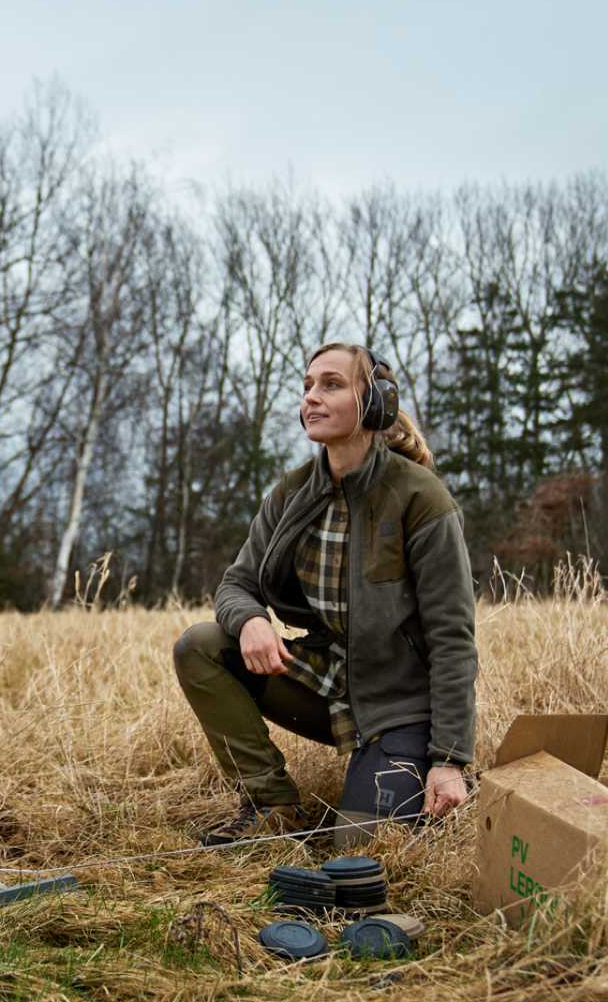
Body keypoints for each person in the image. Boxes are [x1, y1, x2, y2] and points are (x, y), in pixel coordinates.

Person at [173, 342, 477, 847]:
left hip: (399, 705)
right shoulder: (292, 492)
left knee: (356, 853)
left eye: (332, 384)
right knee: (200, 646)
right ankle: (271, 803)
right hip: (325, 679)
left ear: (376, 402)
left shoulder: (422, 498)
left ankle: (419, 765)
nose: (312, 397)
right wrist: (250, 620)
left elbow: (453, 640)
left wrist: (448, 759)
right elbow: (235, 583)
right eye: (308, 386)